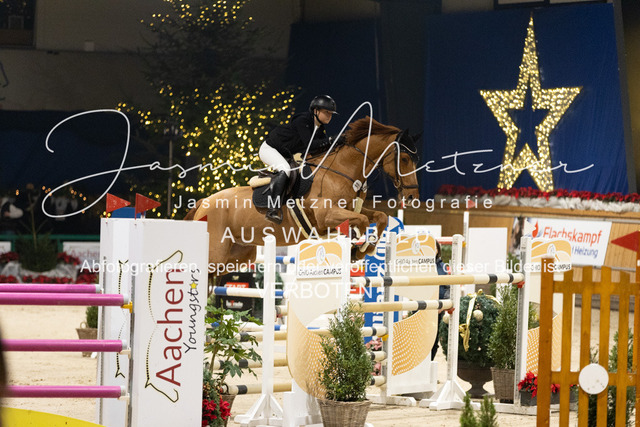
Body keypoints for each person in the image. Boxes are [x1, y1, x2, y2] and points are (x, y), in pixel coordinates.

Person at [258, 95, 338, 223]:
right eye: (326, 112)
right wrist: (330, 140)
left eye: (331, 113)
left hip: (286, 154)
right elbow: (310, 144)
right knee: (285, 169)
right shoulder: (302, 120)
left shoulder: (320, 129)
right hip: (270, 149)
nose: (330, 116)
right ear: (316, 111)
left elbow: (321, 150)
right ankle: (273, 210)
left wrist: (337, 144)